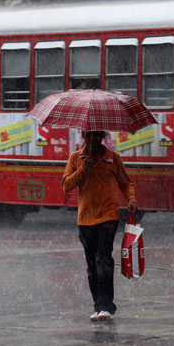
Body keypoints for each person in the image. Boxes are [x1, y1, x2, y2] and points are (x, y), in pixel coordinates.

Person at [62, 130, 137, 322]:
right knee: (91, 265)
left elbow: (125, 183)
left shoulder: (113, 159)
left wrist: (131, 199)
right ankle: (98, 305)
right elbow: (66, 186)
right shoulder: (75, 158)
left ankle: (106, 305)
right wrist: (82, 171)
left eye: (97, 136)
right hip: (85, 219)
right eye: (89, 136)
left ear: (102, 136)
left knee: (103, 258)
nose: (93, 140)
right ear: (83, 136)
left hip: (108, 216)